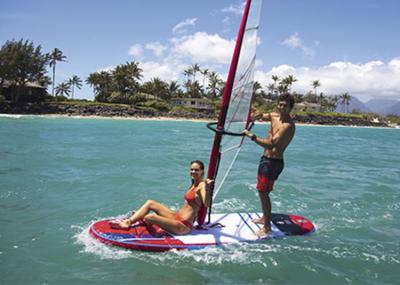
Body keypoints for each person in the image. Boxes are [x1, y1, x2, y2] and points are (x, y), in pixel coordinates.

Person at [110, 160, 212, 235]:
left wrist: (207, 188)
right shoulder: (193, 184)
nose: (193, 172)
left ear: (202, 171)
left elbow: (206, 203)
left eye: (196, 170)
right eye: (191, 169)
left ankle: (145, 219)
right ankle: (128, 222)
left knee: (149, 217)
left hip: (183, 226)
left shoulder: (202, 185)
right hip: (176, 217)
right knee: (150, 203)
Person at [243, 93, 296, 237]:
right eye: (280, 104)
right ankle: (265, 218)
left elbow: (272, 144)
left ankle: (267, 227)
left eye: (285, 105)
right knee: (262, 192)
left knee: (263, 193)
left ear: (291, 107)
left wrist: (251, 136)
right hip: (265, 160)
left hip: (273, 163)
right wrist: (255, 114)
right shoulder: (274, 116)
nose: (282, 107)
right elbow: (261, 116)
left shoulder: (287, 126)